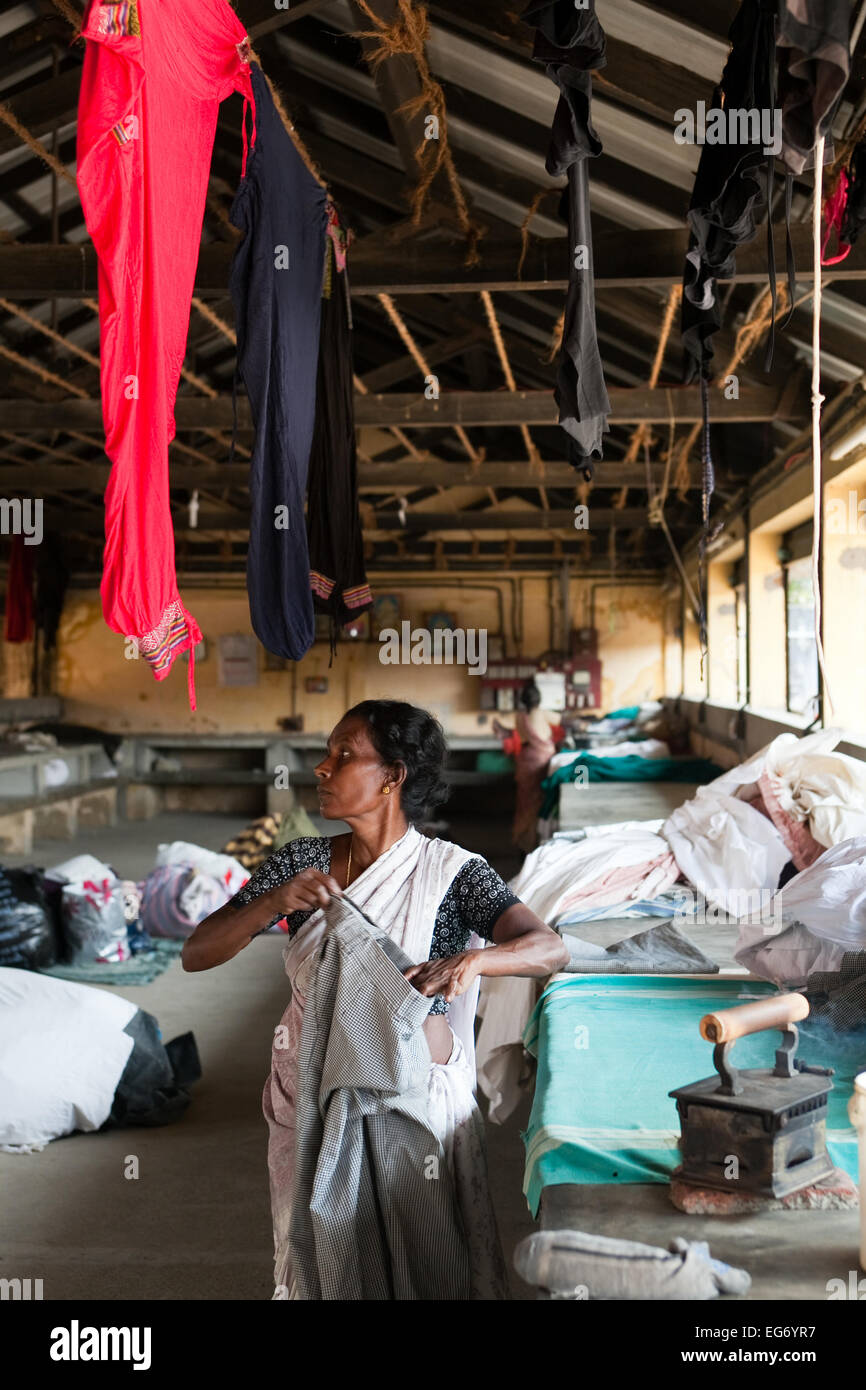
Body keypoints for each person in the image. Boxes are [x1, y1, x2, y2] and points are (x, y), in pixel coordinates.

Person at [183, 699, 568, 1300]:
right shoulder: (302, 865)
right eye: (326, 754)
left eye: (344, 756)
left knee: (421, 1257)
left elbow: (547, 947)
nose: (322, 769)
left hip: (412, 1104)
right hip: (308, 1096)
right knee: (317, 1249)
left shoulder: (453, 872)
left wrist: (474, 959)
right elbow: (197, 952)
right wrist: (271, 903)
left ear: (392, 777)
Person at [494, 680, 558, 853]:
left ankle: (522, 841)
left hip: (524, 761)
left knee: (524, 803)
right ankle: (535, 843)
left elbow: (516, 734)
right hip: (541, 761)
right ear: (539, 699)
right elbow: (562, 720)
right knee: (539, 801)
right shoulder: (543, 713)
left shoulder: (519, 716)